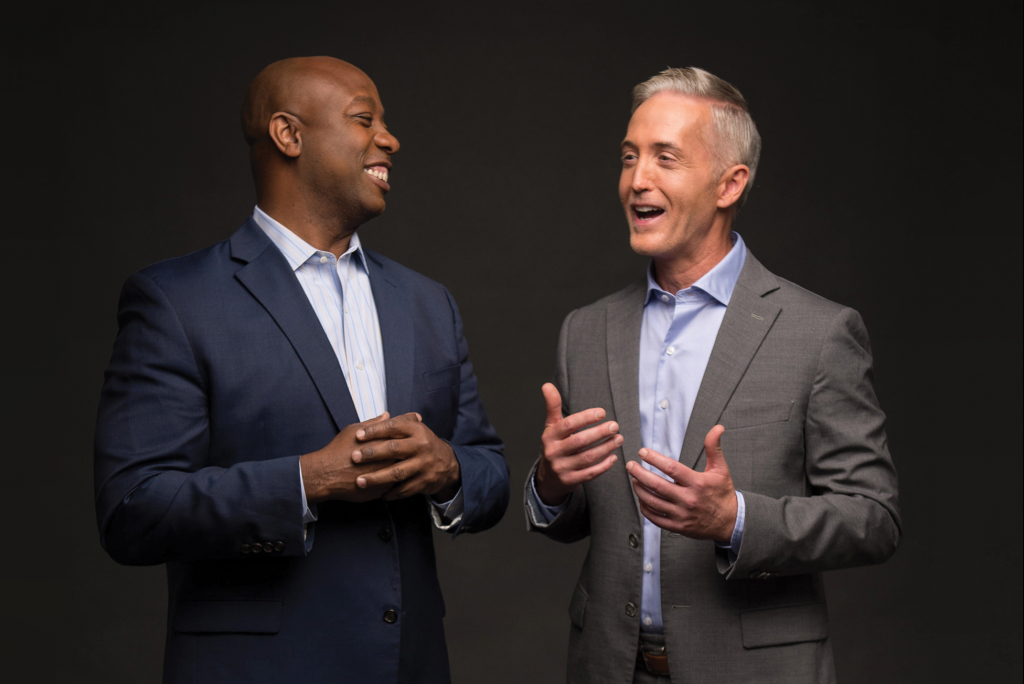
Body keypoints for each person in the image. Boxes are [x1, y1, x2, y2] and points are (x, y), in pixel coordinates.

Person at [94, 56, 509, 684]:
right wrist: (308, 480)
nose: (390, 139)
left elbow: (489, 471)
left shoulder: (427, 302)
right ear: (289, 135)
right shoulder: (177, 301)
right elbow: (133, 510)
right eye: (364, 119)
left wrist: (446, 468)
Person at [524, 67, 900, 683]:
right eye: (629, 157)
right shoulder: (584, 331)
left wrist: (736, 521)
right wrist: (550, 483)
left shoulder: (819, 333)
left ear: (730, 184)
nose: (636, 180)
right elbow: (575, 520)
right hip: (607, 668)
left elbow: (874, 518)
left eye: (664, 158)